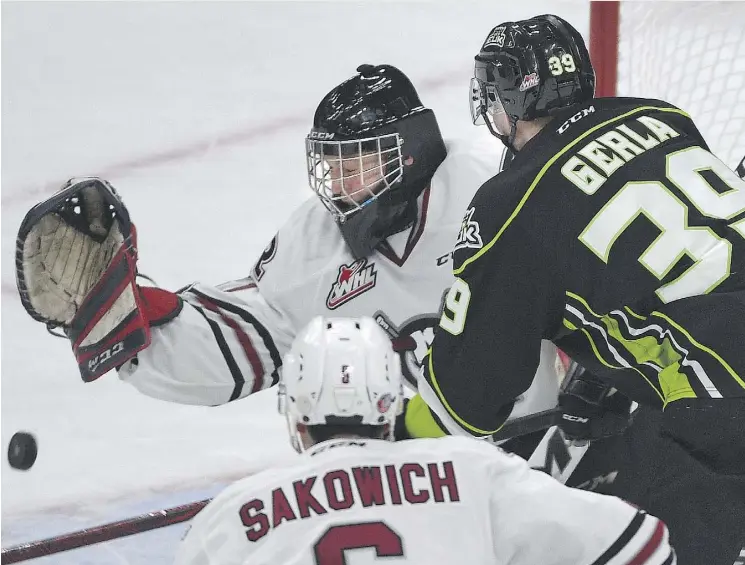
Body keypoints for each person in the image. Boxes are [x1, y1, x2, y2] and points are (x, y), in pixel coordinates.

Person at [397, 13, 745, 565]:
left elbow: (472, 396)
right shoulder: (663, 116)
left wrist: (393, 448)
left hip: (723, 404)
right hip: (720, 375)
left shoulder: (511, 202)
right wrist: (608, 371)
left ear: (506, 99)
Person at [14, 62, 560, 420]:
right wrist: (125, 318)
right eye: (333, 166)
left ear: (412, 150)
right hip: (437, 480)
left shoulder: (495, 191)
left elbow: (592, 288)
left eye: (360, 163)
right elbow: (244, 339)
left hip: (554, 453)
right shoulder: (314, 247)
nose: (343, 186)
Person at [159, 315, 677, 565]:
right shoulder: (470, 471)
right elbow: (644, 552)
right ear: (391, 404)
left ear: (294, 414)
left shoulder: (227, 520)